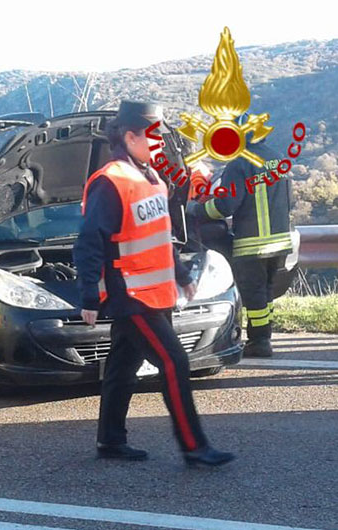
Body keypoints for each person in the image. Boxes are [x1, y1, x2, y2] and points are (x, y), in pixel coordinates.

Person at [74, 100, 234, 467]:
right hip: (130, 294)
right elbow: (89, 241)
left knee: (121, 366)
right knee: (175, 362)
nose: (159, 144)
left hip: (156, 293)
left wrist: (181, 275)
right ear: (130, 137)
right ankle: (194, 446)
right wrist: (88, 296)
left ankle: (110, 440)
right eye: (153, 136)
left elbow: (162, 236)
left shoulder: (153, 179)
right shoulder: (111, 181)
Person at [187, 113, 292, 357]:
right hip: (280, 241)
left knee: (254, 294)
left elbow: (225, 206)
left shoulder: (239, 164)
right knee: (266, 293)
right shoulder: (278, 158)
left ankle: (260, 342)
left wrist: (196, 209)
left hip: (253, 244)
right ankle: (264, 336)